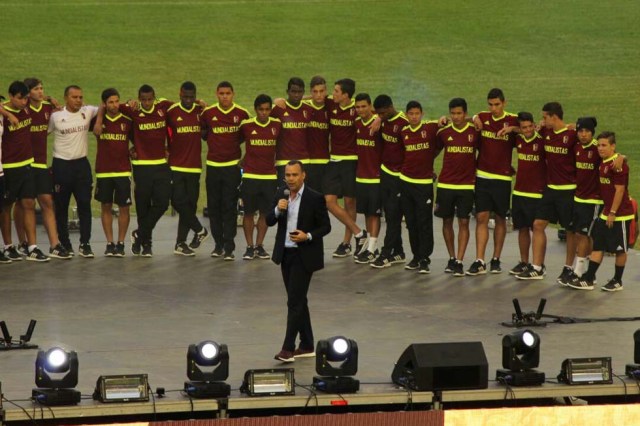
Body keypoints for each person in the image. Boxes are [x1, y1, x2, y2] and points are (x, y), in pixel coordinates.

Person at [267, 160, 331, 362]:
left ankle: (287, 348)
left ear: (304, 175)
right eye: (288, 175)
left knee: (294, 301)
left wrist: (308, 236)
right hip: (285, 253)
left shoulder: (315, 198)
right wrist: (277, 209)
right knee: (299, 299)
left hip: (304, 255)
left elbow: (325, 227)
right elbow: (269, 220)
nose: (291, 179)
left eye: (295, 175)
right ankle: (307, 344)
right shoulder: (281, 194)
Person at [516, 102, 577, 280]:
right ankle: (537, 266)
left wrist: (620, 157)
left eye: (544, 117)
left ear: (554, 117)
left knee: (570, 230)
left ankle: (568, 267)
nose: (541, 121)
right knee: (537, 225)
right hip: (550, 189)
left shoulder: (572, 134)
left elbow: (593, 145)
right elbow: (526, 131)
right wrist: (513, 127)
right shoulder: (545, 132)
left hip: (568, 190)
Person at [13, 78, 71, 259]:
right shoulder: (22, 109)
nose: (41, 91)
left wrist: (51, 98)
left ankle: (55, 245)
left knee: (46, 201)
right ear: (28, 92)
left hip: (40, 163)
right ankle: (25, 243)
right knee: (24, 203)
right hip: (24, 163)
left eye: (42, 88)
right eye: (37, 89)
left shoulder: (47, 108)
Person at [567, 131, 632, 292]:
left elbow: (619, 190)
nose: (601, 148)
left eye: (604, 145)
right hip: (605, 212)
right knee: (598, 245)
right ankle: (589, 278)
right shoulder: (603, 162)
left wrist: (613, 212)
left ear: (613, 146)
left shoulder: (618, 165)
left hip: (620, 214)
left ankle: (617, 280)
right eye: (599, 145)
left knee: (620, 249)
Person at [469, 89, 518, 274]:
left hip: (502, 178)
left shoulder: (513, 119)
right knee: (481, 217)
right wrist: (473, 117)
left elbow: (532, 128)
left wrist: (513, 129)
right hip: (482, 176)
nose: (493, 108)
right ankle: (479, 259)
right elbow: (463, 119)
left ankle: (496, 259)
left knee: (500, 218)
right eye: (490, 104)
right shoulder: (482, 117)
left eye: (497, 104)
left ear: (504, 103)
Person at [120, 85, 172, 257]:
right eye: (144, 100)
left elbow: (182, 106)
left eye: (150, 99)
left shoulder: (163, 106)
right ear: (139, 99)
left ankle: (139, 234)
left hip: (161, 164)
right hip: (141, 165)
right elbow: (110, 105)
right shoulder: (133, 110)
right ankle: (147, 244)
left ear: (154, 97)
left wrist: (199, 103)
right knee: (143, 206)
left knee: (162, 203)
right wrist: (128, 102)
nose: (147, 103)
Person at [200, 81, 250, 260]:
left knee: (229, 207)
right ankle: (218, 244)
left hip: (232, 168)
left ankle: (229, 246)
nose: (225, 96)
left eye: (228, 93)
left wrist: (241, 159)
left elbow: (248, 137)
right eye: (221, 93)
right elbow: (203, 132)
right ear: (216, 94)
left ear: (233, 94)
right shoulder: (208, 113)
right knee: (214, 207)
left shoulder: (242, 114)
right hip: (213, 167)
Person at [49, 85, 99, 258]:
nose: (79, 100)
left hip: (81, 166)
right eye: (75, 97)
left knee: (85, 204)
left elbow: (108, 106)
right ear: (66, 98)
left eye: (80, 97)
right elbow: (41, 134)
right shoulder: (55, 116)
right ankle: (64, 243)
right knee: (61, 207)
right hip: (61, 166)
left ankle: (85, 244)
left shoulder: (88, 111)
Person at [1, 81, 49, 262]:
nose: (23, 102)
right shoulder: (4, 112)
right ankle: (8, 246)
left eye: (25, 98)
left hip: (28, 163)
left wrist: (51, 99)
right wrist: (7, 113)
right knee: (7, 207)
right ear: (11, 96)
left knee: (28, 203)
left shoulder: (28, 107)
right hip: (9, 166)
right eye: (20, 99)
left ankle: (32, 246)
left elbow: (42, 100)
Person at [434, 98, 478, 276]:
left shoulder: (475, 132)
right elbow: (433, 151)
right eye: (453, 113)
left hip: (466, 186)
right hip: (445, 184)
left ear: (465, 114)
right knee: (446, 221)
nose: (456, 117)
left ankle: (460, 260)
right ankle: (451, 258)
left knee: (464, 222)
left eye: (459, 113)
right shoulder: (443, 132)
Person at [324, 78, 367, 257]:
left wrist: (379, 119)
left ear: (346, 95)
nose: (332, 94)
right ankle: (359, 232)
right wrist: (284, 101)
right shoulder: (330, 104)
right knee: (329, 201)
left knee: (350, 202)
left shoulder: (356, 110)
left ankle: (346, 243)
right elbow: (316, 97)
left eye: (336, 91)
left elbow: (374, 114)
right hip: (334, 161)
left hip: (351, 161)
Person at [396, 101, 440, 274]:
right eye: (411, 114)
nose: (414, 116)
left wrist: (429, 162)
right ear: (407, 115)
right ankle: (415, 256)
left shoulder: (430, 128)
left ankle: (425, 258)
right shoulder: (404, 132)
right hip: (406, 181)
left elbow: (448, 126)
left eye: (417, 113)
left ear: (422, 114)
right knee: (411, 222)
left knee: (424, 222)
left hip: (424, 185)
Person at [166, 81, 209, 256]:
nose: (189, 100)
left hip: (194, 167)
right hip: (175, 166)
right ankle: (200, 230)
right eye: (186, 96)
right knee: (177, 201)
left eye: (192, 97)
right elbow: (159, 130)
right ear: (180, 94)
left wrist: (206, 108)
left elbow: (207, 133)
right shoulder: (172, 112)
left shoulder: (200, 112)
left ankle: (180, 243)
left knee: (189, 206)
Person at [238, 94, 281, 260]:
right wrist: (241, 161)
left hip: (269, 177)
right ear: (255, 110)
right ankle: (249, 247)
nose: (264, 113)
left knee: (265, 213)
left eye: (267, 109)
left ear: (270, 110)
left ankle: (259, 246)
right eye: (261, 109)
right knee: (248, 213)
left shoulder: (277, 125)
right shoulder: (247, 125)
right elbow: (236, 141)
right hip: (250, 176)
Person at [92, 88, 133, 257]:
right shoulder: (97, 121)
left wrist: (134, 149)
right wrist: (100, 118)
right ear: (104, 104)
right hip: (104, 172)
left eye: (117, 101)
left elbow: (138, 139)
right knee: (106, 207)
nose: (115, 105)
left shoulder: (127, 120)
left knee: (124, 208)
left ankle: (121, 243)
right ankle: (109, 243)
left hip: (123, 171)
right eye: (111, 102)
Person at [371, 94, 410, 267]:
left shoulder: (404, 124)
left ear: (389, 108)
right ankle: (398, 252)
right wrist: (378, 119)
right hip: (386, 172)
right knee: (389, 215)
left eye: (381, 113)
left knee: (394, 215)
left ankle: (386, 253)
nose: (379, 116)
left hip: (399, 177)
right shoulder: (383, 120)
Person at [562, 117, 601, 284]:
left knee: (584, 234)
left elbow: (615, 157)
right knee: (579, 234)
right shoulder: (576, 147)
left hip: (593, 200)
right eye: (580, 131)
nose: (583, 134)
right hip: (578, 197)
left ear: (593, 133)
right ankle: (584, 271)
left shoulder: (597, 148)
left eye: (587, 131)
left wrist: (621, 158)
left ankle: (580, 272)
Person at [508, 112, 546, 275]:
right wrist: (514, 129)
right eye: (524, 127)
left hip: (537, 194)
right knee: (522, 229)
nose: (528, 129)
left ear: (534, 124)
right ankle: (524, 262)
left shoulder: (542, 141)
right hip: (519, 192)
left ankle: (539, 265)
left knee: (537, 229)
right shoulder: (518, 139)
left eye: (530, 126)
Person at [352, 93, 383, 264]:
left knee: (374, 213)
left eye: (364, 106)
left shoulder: (380, 123)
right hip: (361, 177)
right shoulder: (357, 123)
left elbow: (395, 115)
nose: (360, 110)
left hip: (376, 177)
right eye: (357, 107)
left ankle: (372, 248)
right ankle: (372, 245)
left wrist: (379, 118)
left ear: (370, 106)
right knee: (366, 212)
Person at [271, 77, 312, 181]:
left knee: (303, 196)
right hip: (284, 162)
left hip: (304, 161)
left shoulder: (309, 109)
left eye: (299, 92)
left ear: (303, 92)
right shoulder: (277, 109)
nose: (296, 95)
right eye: (293, 91)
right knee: (284, 196)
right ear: (287, 92)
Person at [303, 76, 330, 193]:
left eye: (322, 91)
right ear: (310, 92)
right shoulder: (304, 106)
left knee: (323, 199)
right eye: (315, 92)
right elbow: (284, 101)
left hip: (325, 161)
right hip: (306, 161)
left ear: (326, 91)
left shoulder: (331, 106)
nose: (319, 95)